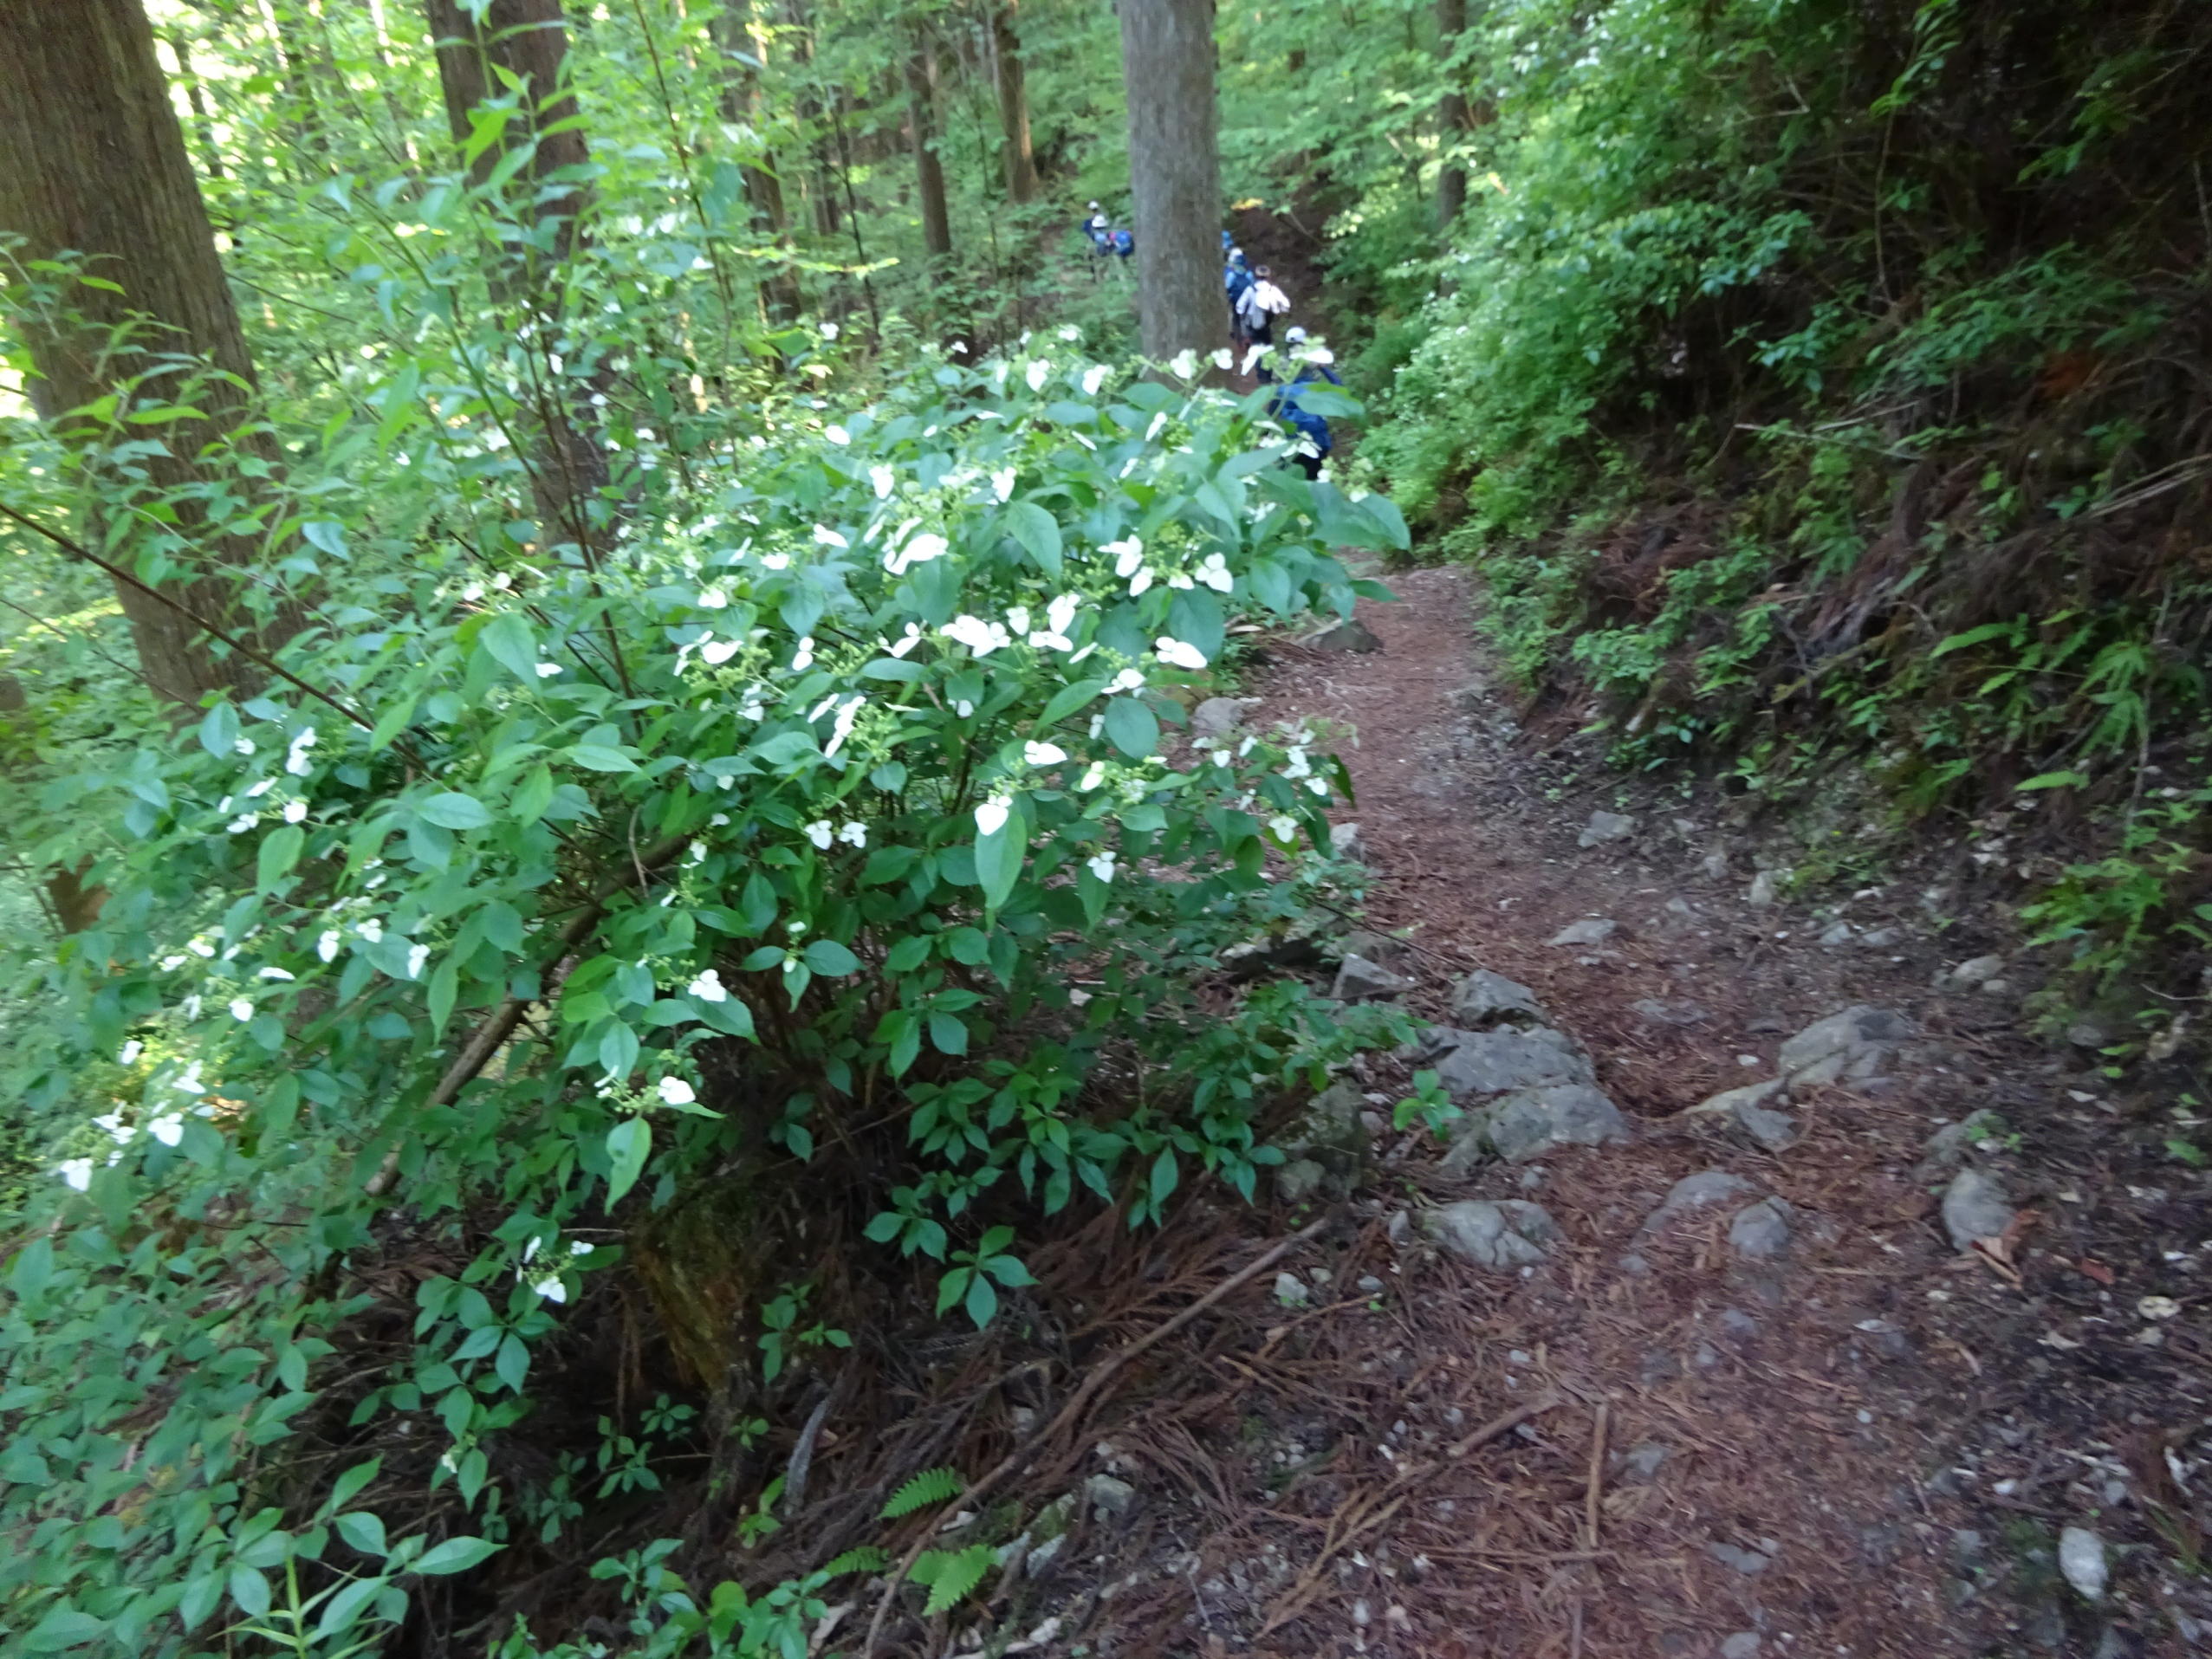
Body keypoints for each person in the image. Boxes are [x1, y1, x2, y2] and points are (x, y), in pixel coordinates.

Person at [1236, 263, 1290, 349]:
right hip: (1266, 322)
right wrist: (1280, 310)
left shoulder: (1250, 289)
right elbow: (1286, 304)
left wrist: (1242, 317)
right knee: (1268, 346)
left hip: (1251, 323)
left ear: (1256, 276)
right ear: (1268, 276)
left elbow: (1240, 306)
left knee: (1254, 346)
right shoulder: (1272, 289)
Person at [1223, 247, 1255, 344]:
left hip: (1235, 299)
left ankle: (1238, 337)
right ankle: (1249, 336)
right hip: (1248, 299)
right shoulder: (1249, 273)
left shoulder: (1231, 274)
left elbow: (1228, 286)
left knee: (1235, 318)